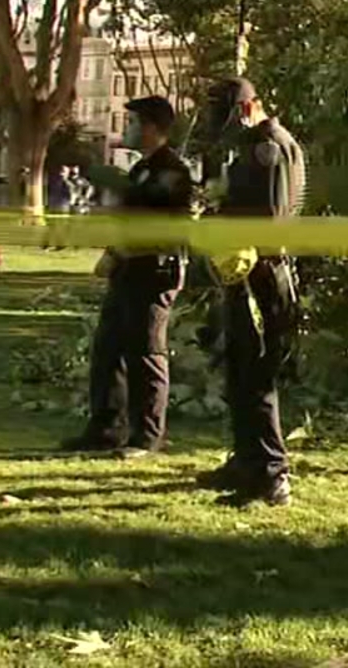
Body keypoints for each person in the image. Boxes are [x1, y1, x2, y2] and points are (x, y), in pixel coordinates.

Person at [61, 97, 194, 458]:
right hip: (128, 270)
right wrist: (112, 251)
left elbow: (161, 226)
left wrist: (120, 247)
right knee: (108, 350)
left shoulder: (172, 171)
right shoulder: (141, 169)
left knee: (146, 352)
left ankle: (146, 437)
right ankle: (106, 430)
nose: (128, 128)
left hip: (155, 271)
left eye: (133, 122)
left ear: (151, 127)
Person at [195, 77, 305, 507]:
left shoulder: (269, 148)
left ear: (246, 108)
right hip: (246, 272)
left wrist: (221, 217)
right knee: (239, 371)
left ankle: (272, 475)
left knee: (257, 376)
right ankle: (246, 462)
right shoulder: (252, 147)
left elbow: (271, 218)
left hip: (264, 274)